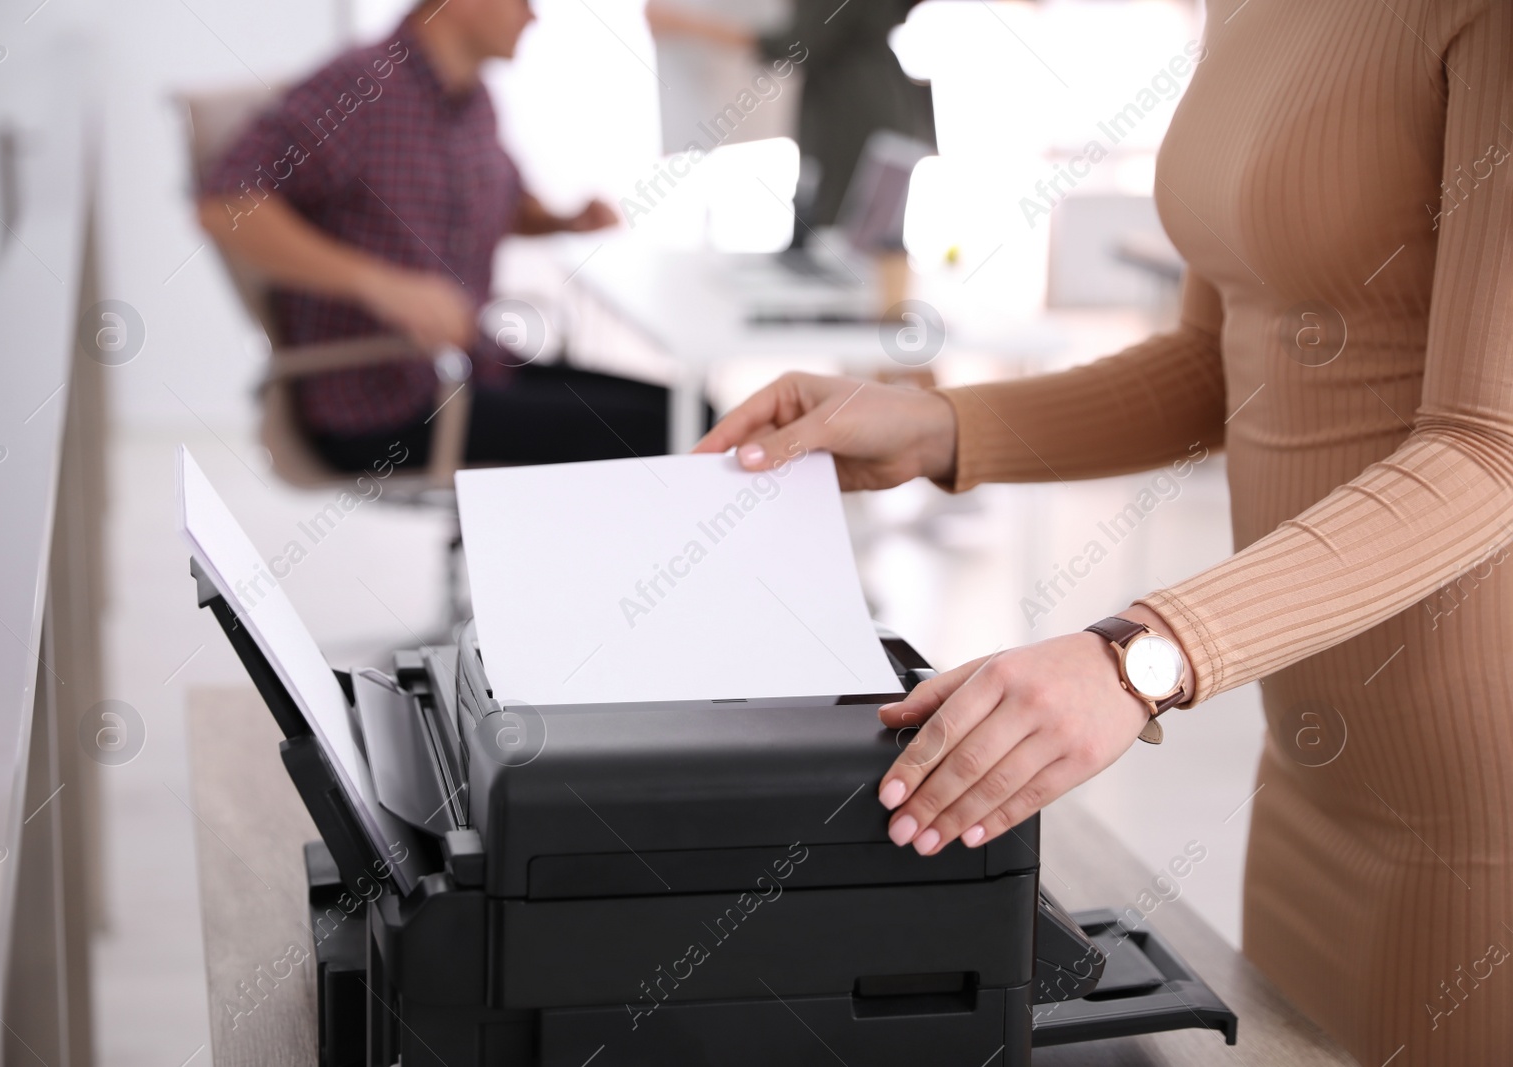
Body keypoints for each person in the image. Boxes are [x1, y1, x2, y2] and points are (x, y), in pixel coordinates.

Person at [697, 3, 1513, 1062]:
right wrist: (943, 425)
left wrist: (1141, 654)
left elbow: (1489, 446)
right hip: (1316, 756)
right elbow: (1210, 365)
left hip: (1476, 787)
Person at [197, 0, 684, 472]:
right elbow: (226, 204)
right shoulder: (359, 87)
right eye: (522, 1)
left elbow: (506, 208)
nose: (533, 17)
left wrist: (564, 220)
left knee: (692, 411)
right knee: (676, 433)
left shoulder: (474, 100)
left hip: (474, 369)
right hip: (384, 405)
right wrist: (381, 284)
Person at [646, 0, 934, 240]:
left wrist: (685, 24)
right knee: (850, 239)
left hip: (854, 111)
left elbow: (794, 43)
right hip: (872, 102)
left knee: (842, 243)